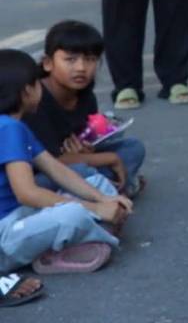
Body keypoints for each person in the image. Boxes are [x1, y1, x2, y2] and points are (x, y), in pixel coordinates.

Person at [0, 50, 131, 276]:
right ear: (27, 90)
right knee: (72, 214)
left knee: (96, 183)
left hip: (22, 214)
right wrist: (95, 208)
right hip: (6, 237)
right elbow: (27, 193)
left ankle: (84, 238)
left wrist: (103, 198)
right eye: (38, 83)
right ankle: (73, 244)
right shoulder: (8, 128)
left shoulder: (16, 126)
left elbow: (56, 168)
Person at [24, 20, 147, 197]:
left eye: (90, 59)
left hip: (75, 163)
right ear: (47, 63)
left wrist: (87, 149)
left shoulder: (85, 95)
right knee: (83, 170)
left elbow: (86, 140)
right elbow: (50, 161)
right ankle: (113, 190)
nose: (81, 68)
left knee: (133, 147)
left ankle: (104, 191)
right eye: (70, 59)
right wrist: (109, 159)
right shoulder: (35, 99)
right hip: (41, 173)